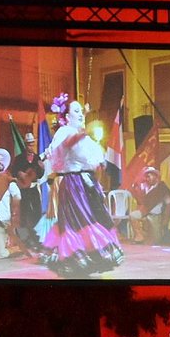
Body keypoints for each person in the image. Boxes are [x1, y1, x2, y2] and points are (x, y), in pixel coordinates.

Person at [41, 93, 124, 276]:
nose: (80, 114)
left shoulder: (84, 136)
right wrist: (82, 133)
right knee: (80, 220)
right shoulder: (65, 132)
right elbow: (66, 145)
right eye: (76, 111)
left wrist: (99, 164)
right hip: (73, 184)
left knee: (96, 218)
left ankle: (94, 257)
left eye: (81, 111)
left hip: (88, 184)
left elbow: (94, 159)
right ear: (66, 116)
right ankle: (77, 259)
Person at [130, 166, 170, 244]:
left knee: (154, 241)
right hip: (145, 214)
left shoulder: (162, 188)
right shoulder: (147, 188)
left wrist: (165, 221)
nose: (147, 179)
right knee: (133, 215)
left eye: (149, 176)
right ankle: (140, 237)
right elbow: (141, 202)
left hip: (156, 216)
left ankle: (149, 235)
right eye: (146, 177)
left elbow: (169, 205)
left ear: (155, 176)